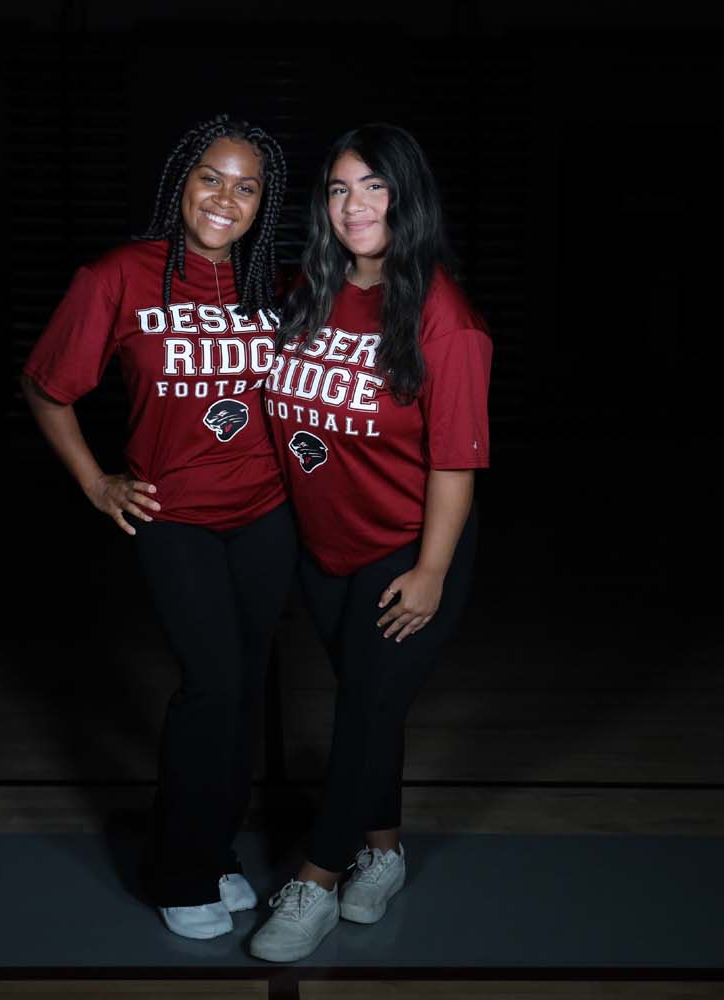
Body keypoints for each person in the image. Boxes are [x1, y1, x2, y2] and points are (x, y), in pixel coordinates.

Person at [20, 115, 294, 941]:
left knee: (249, 693)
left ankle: (214, 853)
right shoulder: (118, 275)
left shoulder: (274, 282)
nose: (225, 197)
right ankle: (175, 868)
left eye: (247, 187)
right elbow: (45, 385)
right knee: (210, 686)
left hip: (268, 515)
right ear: (181, 178)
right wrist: (97, 482)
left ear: (263, 205)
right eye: (211, 176)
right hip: (173, 515)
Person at [249, 123, 492, 962]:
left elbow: (456, 464)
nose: (357, 206)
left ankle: (314, 882)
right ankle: (383, 853)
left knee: (362, 714)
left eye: (375, 187)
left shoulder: (443, 318)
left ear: (407, 195)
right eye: (341, 189)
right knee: (372, 713)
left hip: (406, 553)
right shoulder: (306, 290)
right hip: (325, 552)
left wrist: (431, 570)